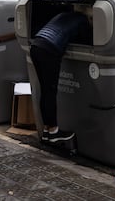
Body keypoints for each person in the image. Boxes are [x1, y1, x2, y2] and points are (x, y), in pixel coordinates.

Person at [30, 9, 92, 143]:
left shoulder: (62, 15)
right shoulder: (82, 21)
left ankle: (47, 130)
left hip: (36, 46)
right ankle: (53, 131)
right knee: (50, 91)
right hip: (50, 50)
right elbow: (87, 40)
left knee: (45, 90)